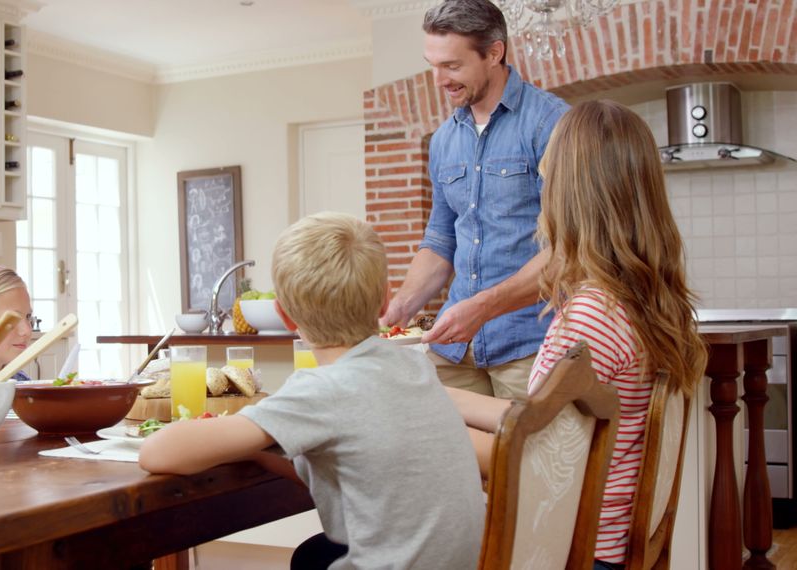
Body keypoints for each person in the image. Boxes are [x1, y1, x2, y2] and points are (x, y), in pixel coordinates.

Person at [140, 212, 484, 570]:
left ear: (284, 316)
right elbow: (346, 465)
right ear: (385, 300)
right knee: (310, 558)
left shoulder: (322, 390)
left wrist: (242, 430)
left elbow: (157, 453)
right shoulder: (413, 366)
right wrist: (259, 451)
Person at [449, 100, 708, 568]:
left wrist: (424, 428)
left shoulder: (590, 317)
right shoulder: (640, 300)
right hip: (606, 541)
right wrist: (439, 399)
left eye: (546, 182)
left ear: (567, 196)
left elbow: (530, 459)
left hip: (575, 549)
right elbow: (551, 419)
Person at [381, 0, 570, 400]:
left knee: (526, 462)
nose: (438, 79)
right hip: (454, 347)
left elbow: (569, 248)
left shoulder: (552, 124)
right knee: (432, 451)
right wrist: (400, 308)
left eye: (451, 66)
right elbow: (440, 240)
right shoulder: (444, 140)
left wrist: (484, 307)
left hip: (529, 345)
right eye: (432, 64)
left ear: (494, 53)